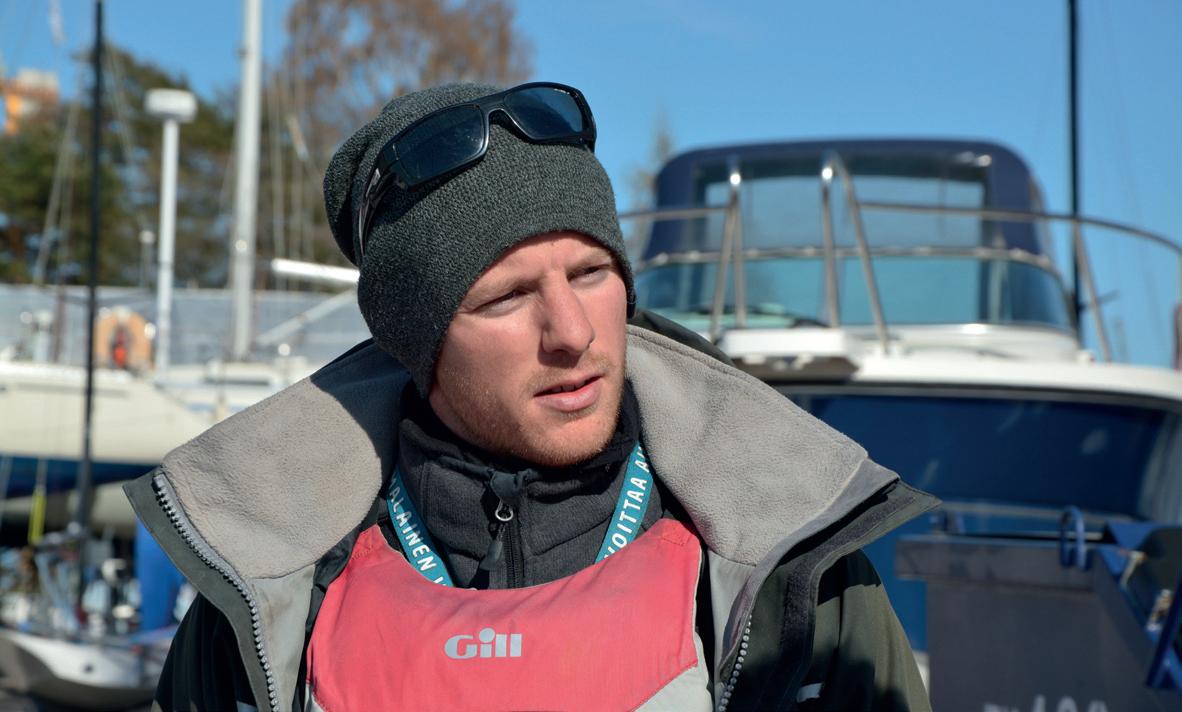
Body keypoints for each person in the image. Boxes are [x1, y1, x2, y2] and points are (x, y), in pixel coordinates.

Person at [127, 82, 936, 712]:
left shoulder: (789, 571)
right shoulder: (272, 585)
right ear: (419, 342)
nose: (572, 333)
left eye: (591, 274)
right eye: (507, 297)